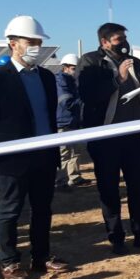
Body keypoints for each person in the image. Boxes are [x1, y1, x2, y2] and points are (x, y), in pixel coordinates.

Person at [0, 16, 69, 279]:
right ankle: (10, 262)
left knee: (42, 209)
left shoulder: (47, 77)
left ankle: (41, 256)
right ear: (13, 44)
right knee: (10, 210)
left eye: (39, 42)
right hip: (11, 159)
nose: (36, 47)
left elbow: (49, 115)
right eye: (31, 42)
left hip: (44, 156)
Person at [78, 23, 140, 255]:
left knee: (138, 187)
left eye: (125, 38)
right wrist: (118, 78)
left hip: (133, 135)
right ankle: (116, 238)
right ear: (104, 42)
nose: (124, 43)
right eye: (118, 39)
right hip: (105, 137)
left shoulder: (136, 62)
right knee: (109, 189)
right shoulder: (90, 62)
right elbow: (88, 94)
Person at [55, 53, 90, 191]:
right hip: (63, 122)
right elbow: (66, 103)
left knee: (75, 151)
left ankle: (74, 177)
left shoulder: (72, 81)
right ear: (66, 67)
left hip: (74, 121)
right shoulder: (60, 82)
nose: (77, 71)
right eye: (75, 68)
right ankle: (60, 181)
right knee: (63, 153)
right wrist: (85, 99)